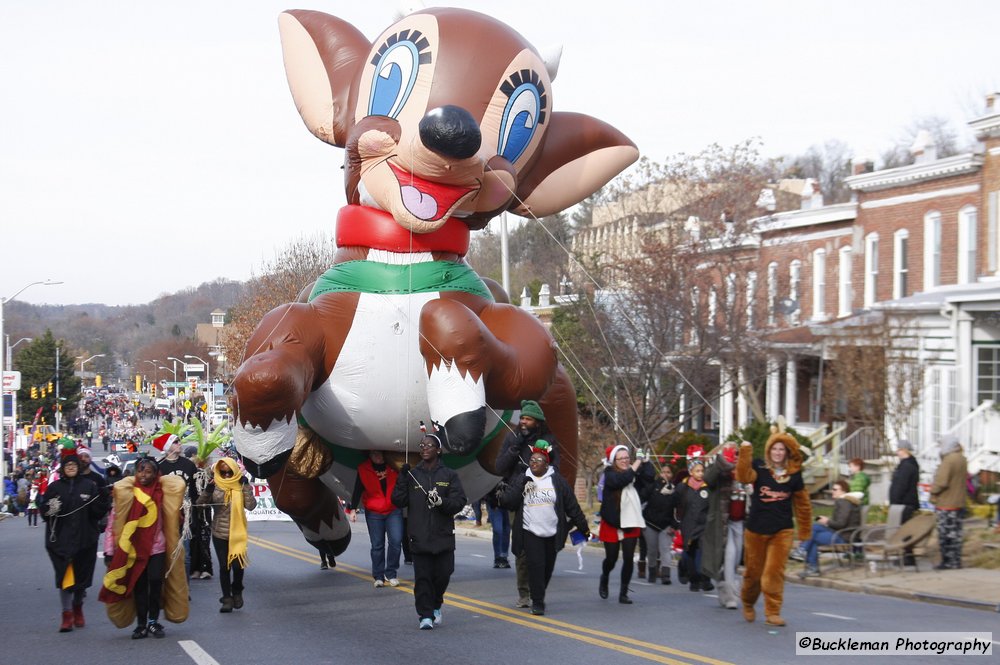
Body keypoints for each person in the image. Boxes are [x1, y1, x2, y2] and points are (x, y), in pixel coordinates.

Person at [100, 457, 189, 639]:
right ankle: (141, 624)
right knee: (139, 586)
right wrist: (109, 551)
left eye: (149, 471)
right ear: (135, 472)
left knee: (155, 582)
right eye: (140, 471)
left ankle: (153, 621)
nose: (144, 475)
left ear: (156, 474)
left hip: (157, 547)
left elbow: (173, 514)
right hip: (134, 549)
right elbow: (113, 522)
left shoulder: (163, 492)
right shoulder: (127, 494)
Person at [500, 441, 589, 616]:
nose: (534, 463)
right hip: (530, 530)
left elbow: (572, 506)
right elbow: (507, 502)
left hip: (552, 532)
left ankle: (537, 592)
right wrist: (522, 485)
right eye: (532, 460)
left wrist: (584, 528)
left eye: (538, 460)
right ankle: (538, 602)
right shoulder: (522, 478)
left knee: (547, 568)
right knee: (536, 566)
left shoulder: (557, 481)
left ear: (546, 464)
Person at [735, 427, 812, 627]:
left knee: (773, 573)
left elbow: (803, 505)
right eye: (774, 449)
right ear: (769, 451)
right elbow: (742, 477)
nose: (778, 453)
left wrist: (804, 531)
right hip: (756, 530)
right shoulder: (759, 468)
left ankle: (773, 611)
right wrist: (745, 452)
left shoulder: (794, 475)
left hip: (782, 531)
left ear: (787, 452)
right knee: (754, 575)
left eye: (782, 449)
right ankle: (748, 602)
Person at [391, 433, 467, 630]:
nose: (424, 448)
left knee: (444, 574)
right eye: (422, 445)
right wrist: (402, 477)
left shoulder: (449, 475)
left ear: (438, 450)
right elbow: (398, 500)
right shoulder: (413, 475)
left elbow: (459, 502)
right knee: (423, 578)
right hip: (419, 536)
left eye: (429, 445)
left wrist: (442, 502)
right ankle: (425, 615)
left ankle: (436, 604)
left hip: (443, 536)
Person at [495, 400, 560, 608]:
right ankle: (524, 593)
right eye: (522, 417)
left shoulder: (548, 440)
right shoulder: (513, 438)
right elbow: (499, 467)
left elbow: (556, 468)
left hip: (543, 500)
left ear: (537, 422)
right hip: (519, 498)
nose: (523, 422)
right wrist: (516, 446)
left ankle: (537, 590)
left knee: (543, 549)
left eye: (528, 418)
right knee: (522, 548)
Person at [41, 447, 109, 632]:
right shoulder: (54, 488)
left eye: (74, 465)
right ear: (62, 468)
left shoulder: (89, 486)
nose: (71, 467)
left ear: (78, 467)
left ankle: (78, 606)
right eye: (67, 465)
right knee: (64, 577)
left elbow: (97, 512)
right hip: (60, 541)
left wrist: (104, 500)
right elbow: (45, 513)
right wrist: (50, 508)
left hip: (85, 540)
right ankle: (67, 614)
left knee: (81, 579)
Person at [197, 457, 257, 612]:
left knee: (238, 567)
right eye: (222, 472)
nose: (226, 476)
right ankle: (227, 598)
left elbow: (251, 506)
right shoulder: (215, 484)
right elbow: (200, 505)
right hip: (219, 532)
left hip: (238, 532)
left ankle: (237, 591)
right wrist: (208, 491)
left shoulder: (240, 484)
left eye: (229, 472)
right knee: (225, 567)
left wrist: (246, 487)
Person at [598, 444, 647, 604]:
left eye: (627, 457)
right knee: (611, 559)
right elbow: (621, 480)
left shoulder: (634, 471)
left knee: (628, 558)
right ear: (614, 461)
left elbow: (650, 477)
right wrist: (637, 463)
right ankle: (604, 576)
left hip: (630, 521)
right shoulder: (609, 474)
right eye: (621, 458)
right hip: (612, 522)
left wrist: (645, 462)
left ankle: (623, 592)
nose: (625, 461)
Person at [701, 441, 747, 608]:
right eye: (731, 452)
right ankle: (731, 596)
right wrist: (722, 462)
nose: (734, 455)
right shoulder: (718, 469)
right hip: (723, 522)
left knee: (735, 560)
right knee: (729, 555)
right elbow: (708, 479)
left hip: (740, 521)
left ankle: (722, 581)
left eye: (736, 452)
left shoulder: (744, 469)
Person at [350, 450, 403, 588]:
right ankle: (378, 576)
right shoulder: (363, 469)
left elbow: (403, 485)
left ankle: (391, 573)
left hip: (393, 510)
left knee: (396, 542)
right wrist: (353, 509)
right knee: (377, 545)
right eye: (374, 454)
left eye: (380, 454)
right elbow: (357, 489)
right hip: (374, 511)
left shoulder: (393, 465)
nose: (378, 457)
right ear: (370, 456)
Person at [797, 479, 861, 577]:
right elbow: (841, 522)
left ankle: (808, 560)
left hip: (844, 536)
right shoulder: (846, 501)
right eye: (832, 489)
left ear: (843, 491)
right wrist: (827, 521)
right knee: (813, 528)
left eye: (835, 489)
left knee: (812, 537)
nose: (832, 491)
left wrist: (827, 521)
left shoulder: (844, 502)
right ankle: (802, 551)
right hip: (841, 532)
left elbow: (841, 523)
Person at [155, 434, 199, 576]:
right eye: (175, 442)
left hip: (186, 517)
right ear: (168, 447)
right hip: (167, 516)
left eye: (179, 441)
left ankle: (184, 591)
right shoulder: (159, 467)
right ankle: (167, 590)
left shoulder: (189, 465)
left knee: (185, 556)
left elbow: (196, 491)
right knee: (166, 554)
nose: (179, 443)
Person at [676, 449, 713, 593]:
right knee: (690, 553)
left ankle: (705, 579)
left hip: (704, 526)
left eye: (702, 471)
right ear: (691, 472)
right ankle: (693, 578)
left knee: (704, 552)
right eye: (697, 471)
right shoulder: (682, 487)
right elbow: (675, 504)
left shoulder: (707, 487)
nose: (700, 474)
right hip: (688, 525)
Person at [930, 434, 968, 570]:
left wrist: (933, 492)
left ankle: (947, 562)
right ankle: (955, 561)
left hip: (947, 503)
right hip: (959, 502)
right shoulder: (962, 459)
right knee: (956, 535)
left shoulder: (949, 460)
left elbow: (942, 481)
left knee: (945, 535)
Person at [640, 464, 677, 586]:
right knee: (652, 550)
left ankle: (666, 574)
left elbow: (678, 510)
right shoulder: (652, 487)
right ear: (659, 474)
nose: (665, 475)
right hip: (650, 523)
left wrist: (674, 525)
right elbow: (641, 498)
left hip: (666, 524)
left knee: (665, 549)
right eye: (663, 472)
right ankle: (652, 571)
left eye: (668, 472)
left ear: (672, 475)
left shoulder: (675, 490)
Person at [889, 439, 921, 566]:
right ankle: (907, 555)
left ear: (904, 450)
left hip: (904, 503)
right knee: (904, 530)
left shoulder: (907, 466)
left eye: (899, 449)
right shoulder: (908, 464)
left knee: (905, 531)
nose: (897, 452)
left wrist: (895, 502)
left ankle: (908, 557)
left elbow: (901, 486)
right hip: (906, 503)